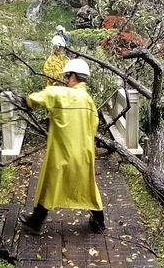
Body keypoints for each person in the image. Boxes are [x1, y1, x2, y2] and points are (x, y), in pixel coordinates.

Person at [19, 58, 105, 234]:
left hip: (62, 152)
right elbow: (93, 126)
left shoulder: (64, 94)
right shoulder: (88, 100)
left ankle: (35, 222)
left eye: (67, 76)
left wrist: (27, 101)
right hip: (83, 153)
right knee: (87, 187)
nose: (66, 80)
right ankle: (99, 222)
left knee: (50, 184)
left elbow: (47, 94)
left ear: (73, 76)